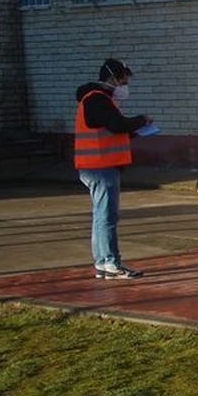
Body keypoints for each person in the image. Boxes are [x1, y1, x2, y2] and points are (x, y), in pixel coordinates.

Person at [74, 58, 151, 280]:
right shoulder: (97, 100)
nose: (125, 85)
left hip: (100, 165)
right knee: (106, 216)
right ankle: (110, 263)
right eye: (123, 80)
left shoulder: (100, 100)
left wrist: (135, 131)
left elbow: (112, 130)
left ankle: (104, 263)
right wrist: (141, 120)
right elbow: (117, 125)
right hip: (100, 166)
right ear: (112, 79)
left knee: (102, 215)